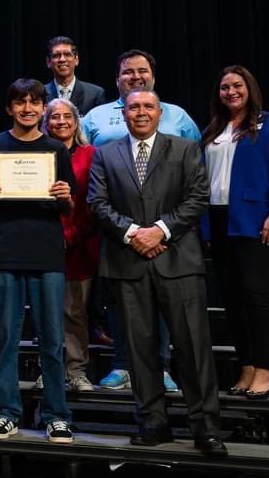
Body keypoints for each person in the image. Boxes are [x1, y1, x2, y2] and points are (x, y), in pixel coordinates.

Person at [88, 89, 226, 457]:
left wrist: (160, 230)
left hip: (178, 261)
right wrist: (135, 234)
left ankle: (206, 429)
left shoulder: (183, 149)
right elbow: (97, 203)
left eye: (148, 106)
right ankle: (153, 423)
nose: (141, 112)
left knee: (193, 349)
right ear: (125, 113)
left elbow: (197, 197)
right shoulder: (106, 154)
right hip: (127, 263)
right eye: (134, 107)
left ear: (160, 112)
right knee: (139, 349)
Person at [83, 49, 194, 392]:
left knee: (161, 301)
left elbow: (193, 171)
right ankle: (122, 364)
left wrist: (160, 229)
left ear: (153, 77)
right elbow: (84, 162)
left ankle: (160, 367)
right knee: (118, 299)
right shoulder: (96, 116)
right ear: (117, 80)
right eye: (127, 72)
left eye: (141, 70)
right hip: (115, 226)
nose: (134, 76)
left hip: (164, 227)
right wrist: (128, 230)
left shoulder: (176, 115)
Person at [0, 79, 76, 444]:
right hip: (3, 252)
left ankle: (57, 415)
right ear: (10, 108)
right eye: (21, 102)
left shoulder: (55, 150)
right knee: (7, 338)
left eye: (34, 102)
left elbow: (68, 206)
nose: (28, 108)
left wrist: (64, 196)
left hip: (47, 253)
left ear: (43, 107)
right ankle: (6, 412)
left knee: (51, 339)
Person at [201, 66, 269, 399]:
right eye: (224, 87)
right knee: (231, 299)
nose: (230, 92)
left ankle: (264, 368)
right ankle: (245, 366)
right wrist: (205, 227)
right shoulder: (213, 129)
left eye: (237, 85)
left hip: (256, 218)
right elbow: (204, 182)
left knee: (255, 295)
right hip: (219, 220)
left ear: (249, 88)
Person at [42, 98, 98, 391]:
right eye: (54, 117)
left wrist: (71, 235)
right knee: (45, 311)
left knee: (75, 311)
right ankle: (50, 370)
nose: (61, 121)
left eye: (67, 116)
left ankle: (76, 371)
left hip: (79, 244)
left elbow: (95, 202)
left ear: (77, 122)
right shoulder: (37, 154)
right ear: (45, 122)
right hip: (41, 243)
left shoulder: (91, 154)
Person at [43, 36, 106, 115]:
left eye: (67, 54)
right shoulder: (41, 93)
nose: (62, 59)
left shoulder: (95, 94)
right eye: (56, 55)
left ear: (76, 60)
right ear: (48, 62)